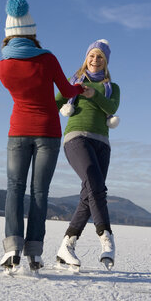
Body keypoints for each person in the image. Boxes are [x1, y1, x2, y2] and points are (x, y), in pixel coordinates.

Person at [0, 0, 84, 272]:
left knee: (14, 189)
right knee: (39, 193)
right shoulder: (47, 58)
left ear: (8, 33)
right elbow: (68, 92)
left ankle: (11, 250)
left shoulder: (2, 67)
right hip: (48, 133)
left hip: (17, 132)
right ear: (32, 31)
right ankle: (34, 253)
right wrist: (80, 88)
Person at [55, 39, 120, 270]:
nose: (95, 59)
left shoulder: (112, 87)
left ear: (106, 61)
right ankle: (106, 237)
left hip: (102, 143)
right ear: (86, 58)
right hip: (76, 138)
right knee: (94, 182)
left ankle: (67, 245)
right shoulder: (73, 83)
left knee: (89, 193)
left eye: (100, 56)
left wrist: (94, 94)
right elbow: (54, 103)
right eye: (92, 55)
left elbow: (112, 108)